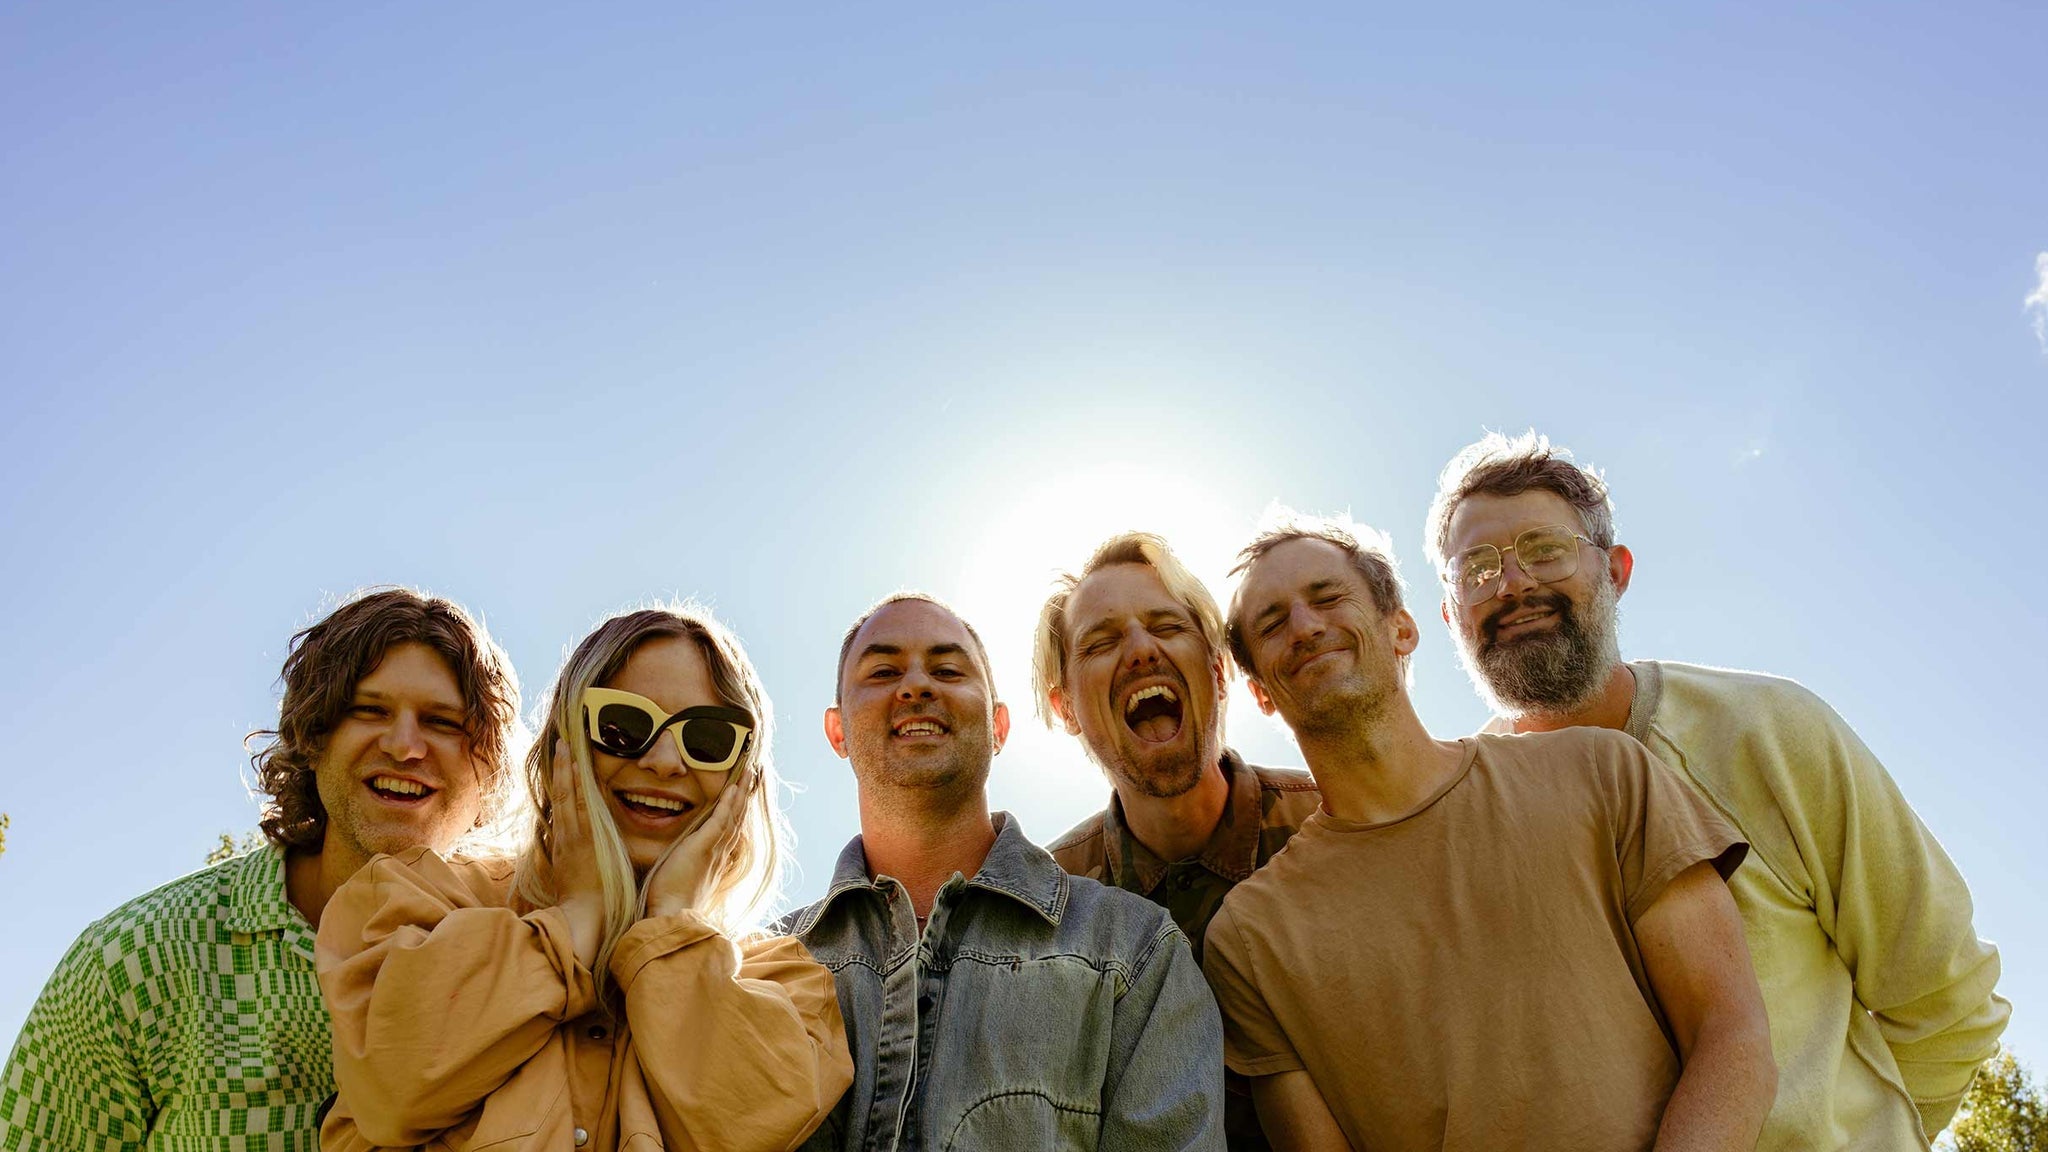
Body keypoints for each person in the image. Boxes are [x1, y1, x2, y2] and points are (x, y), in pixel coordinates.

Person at [1427, 430, 2011, 1149]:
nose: (1512, 584)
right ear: (1450, 614)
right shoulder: (1460, 822)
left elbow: (1947, 1001)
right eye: (1477, 568)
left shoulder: (1768, 731)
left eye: (1544, 549)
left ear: (1615, 571)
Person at [1206, 514, 1777, 1152]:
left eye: (1327, 597)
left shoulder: (1601, 771)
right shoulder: (1250, 940)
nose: (1306, 627)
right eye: (1272, 622)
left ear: (1402, 628)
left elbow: (1731, 1037)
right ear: (1259, 690)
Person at [0, 587, 524, 1151]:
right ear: (314, 735)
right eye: (368, 710)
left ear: (489, 766)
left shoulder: (535, 956)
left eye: (442, 721)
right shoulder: (136, 958)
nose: (403, 746)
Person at [316, 605, 853, 1150]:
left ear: (744, 776)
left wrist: (670, 925)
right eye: (623, 725)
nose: (666, 761)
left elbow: (749, 1127)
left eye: (709, 738)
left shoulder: (787, 987)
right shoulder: (413, 903)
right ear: (559, 745)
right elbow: (392, 1086)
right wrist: (574, 922)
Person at [784, 592, 1225, 1151]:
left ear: (998, 725)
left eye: (948, 669)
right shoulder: (772, 966)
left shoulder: (1134, 950)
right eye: (883, 671)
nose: (917, 686)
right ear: (838, 731)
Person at [1037, 532, 1318, 1151]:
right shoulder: (1044, 906)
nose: (1140, 650)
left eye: (1166, 625)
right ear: (1066, 708)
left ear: (1218, 671)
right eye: (1102, 641)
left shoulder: (1330, 824)